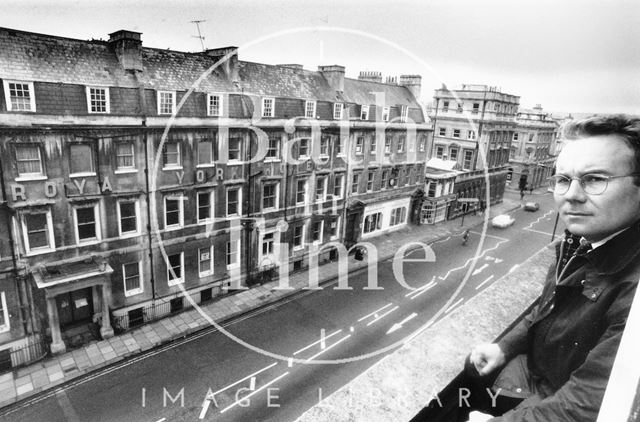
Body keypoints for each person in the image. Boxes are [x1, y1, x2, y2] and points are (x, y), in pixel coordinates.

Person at [462, 115, 640, 421]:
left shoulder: (633, 291)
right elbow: (548, 308)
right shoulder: (582, 243)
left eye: (595, 179)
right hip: (535, 380)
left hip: (551, 397)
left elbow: (585, 406)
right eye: (563, 179)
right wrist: (505, 346)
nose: (571, 194)